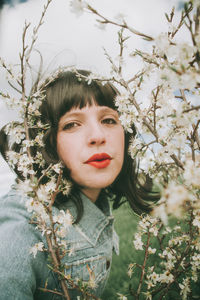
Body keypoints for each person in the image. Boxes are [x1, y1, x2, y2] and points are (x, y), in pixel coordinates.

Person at [0, 69, 158, 299]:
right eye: (72, 124)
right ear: (48, 143)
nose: (97, 135)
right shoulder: (23, 226)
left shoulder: (95, 198)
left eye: (108, 120)